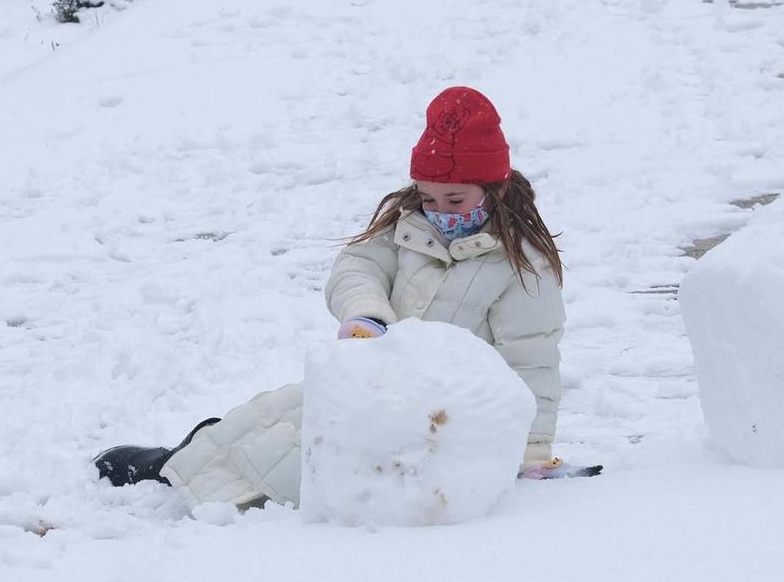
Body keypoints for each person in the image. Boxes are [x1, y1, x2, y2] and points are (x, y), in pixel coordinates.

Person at [94, 87, 589, 511]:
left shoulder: (521, 266)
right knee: (284, 410)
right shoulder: (410, 227)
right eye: (428, 197)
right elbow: (357, 266)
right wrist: (366, 313)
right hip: (377, 384)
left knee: (305, 450)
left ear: (495, 190)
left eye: (455, 200)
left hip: (443, 421)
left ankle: (190, 478)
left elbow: (533, 362)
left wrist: (531, 451)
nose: (439, 211)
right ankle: (195, 453)